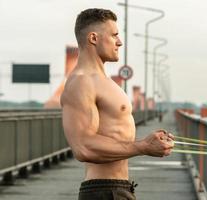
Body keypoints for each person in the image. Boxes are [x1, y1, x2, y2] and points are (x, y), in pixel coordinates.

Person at [60, 8, 174, 200]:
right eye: (114, 35)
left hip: (117, 188)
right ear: (93, 38)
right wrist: (143, 147)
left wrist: (152, 142)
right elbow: (83, 146)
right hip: (104, 191)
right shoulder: (82, 81)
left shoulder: (102, 81)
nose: (119, 42)